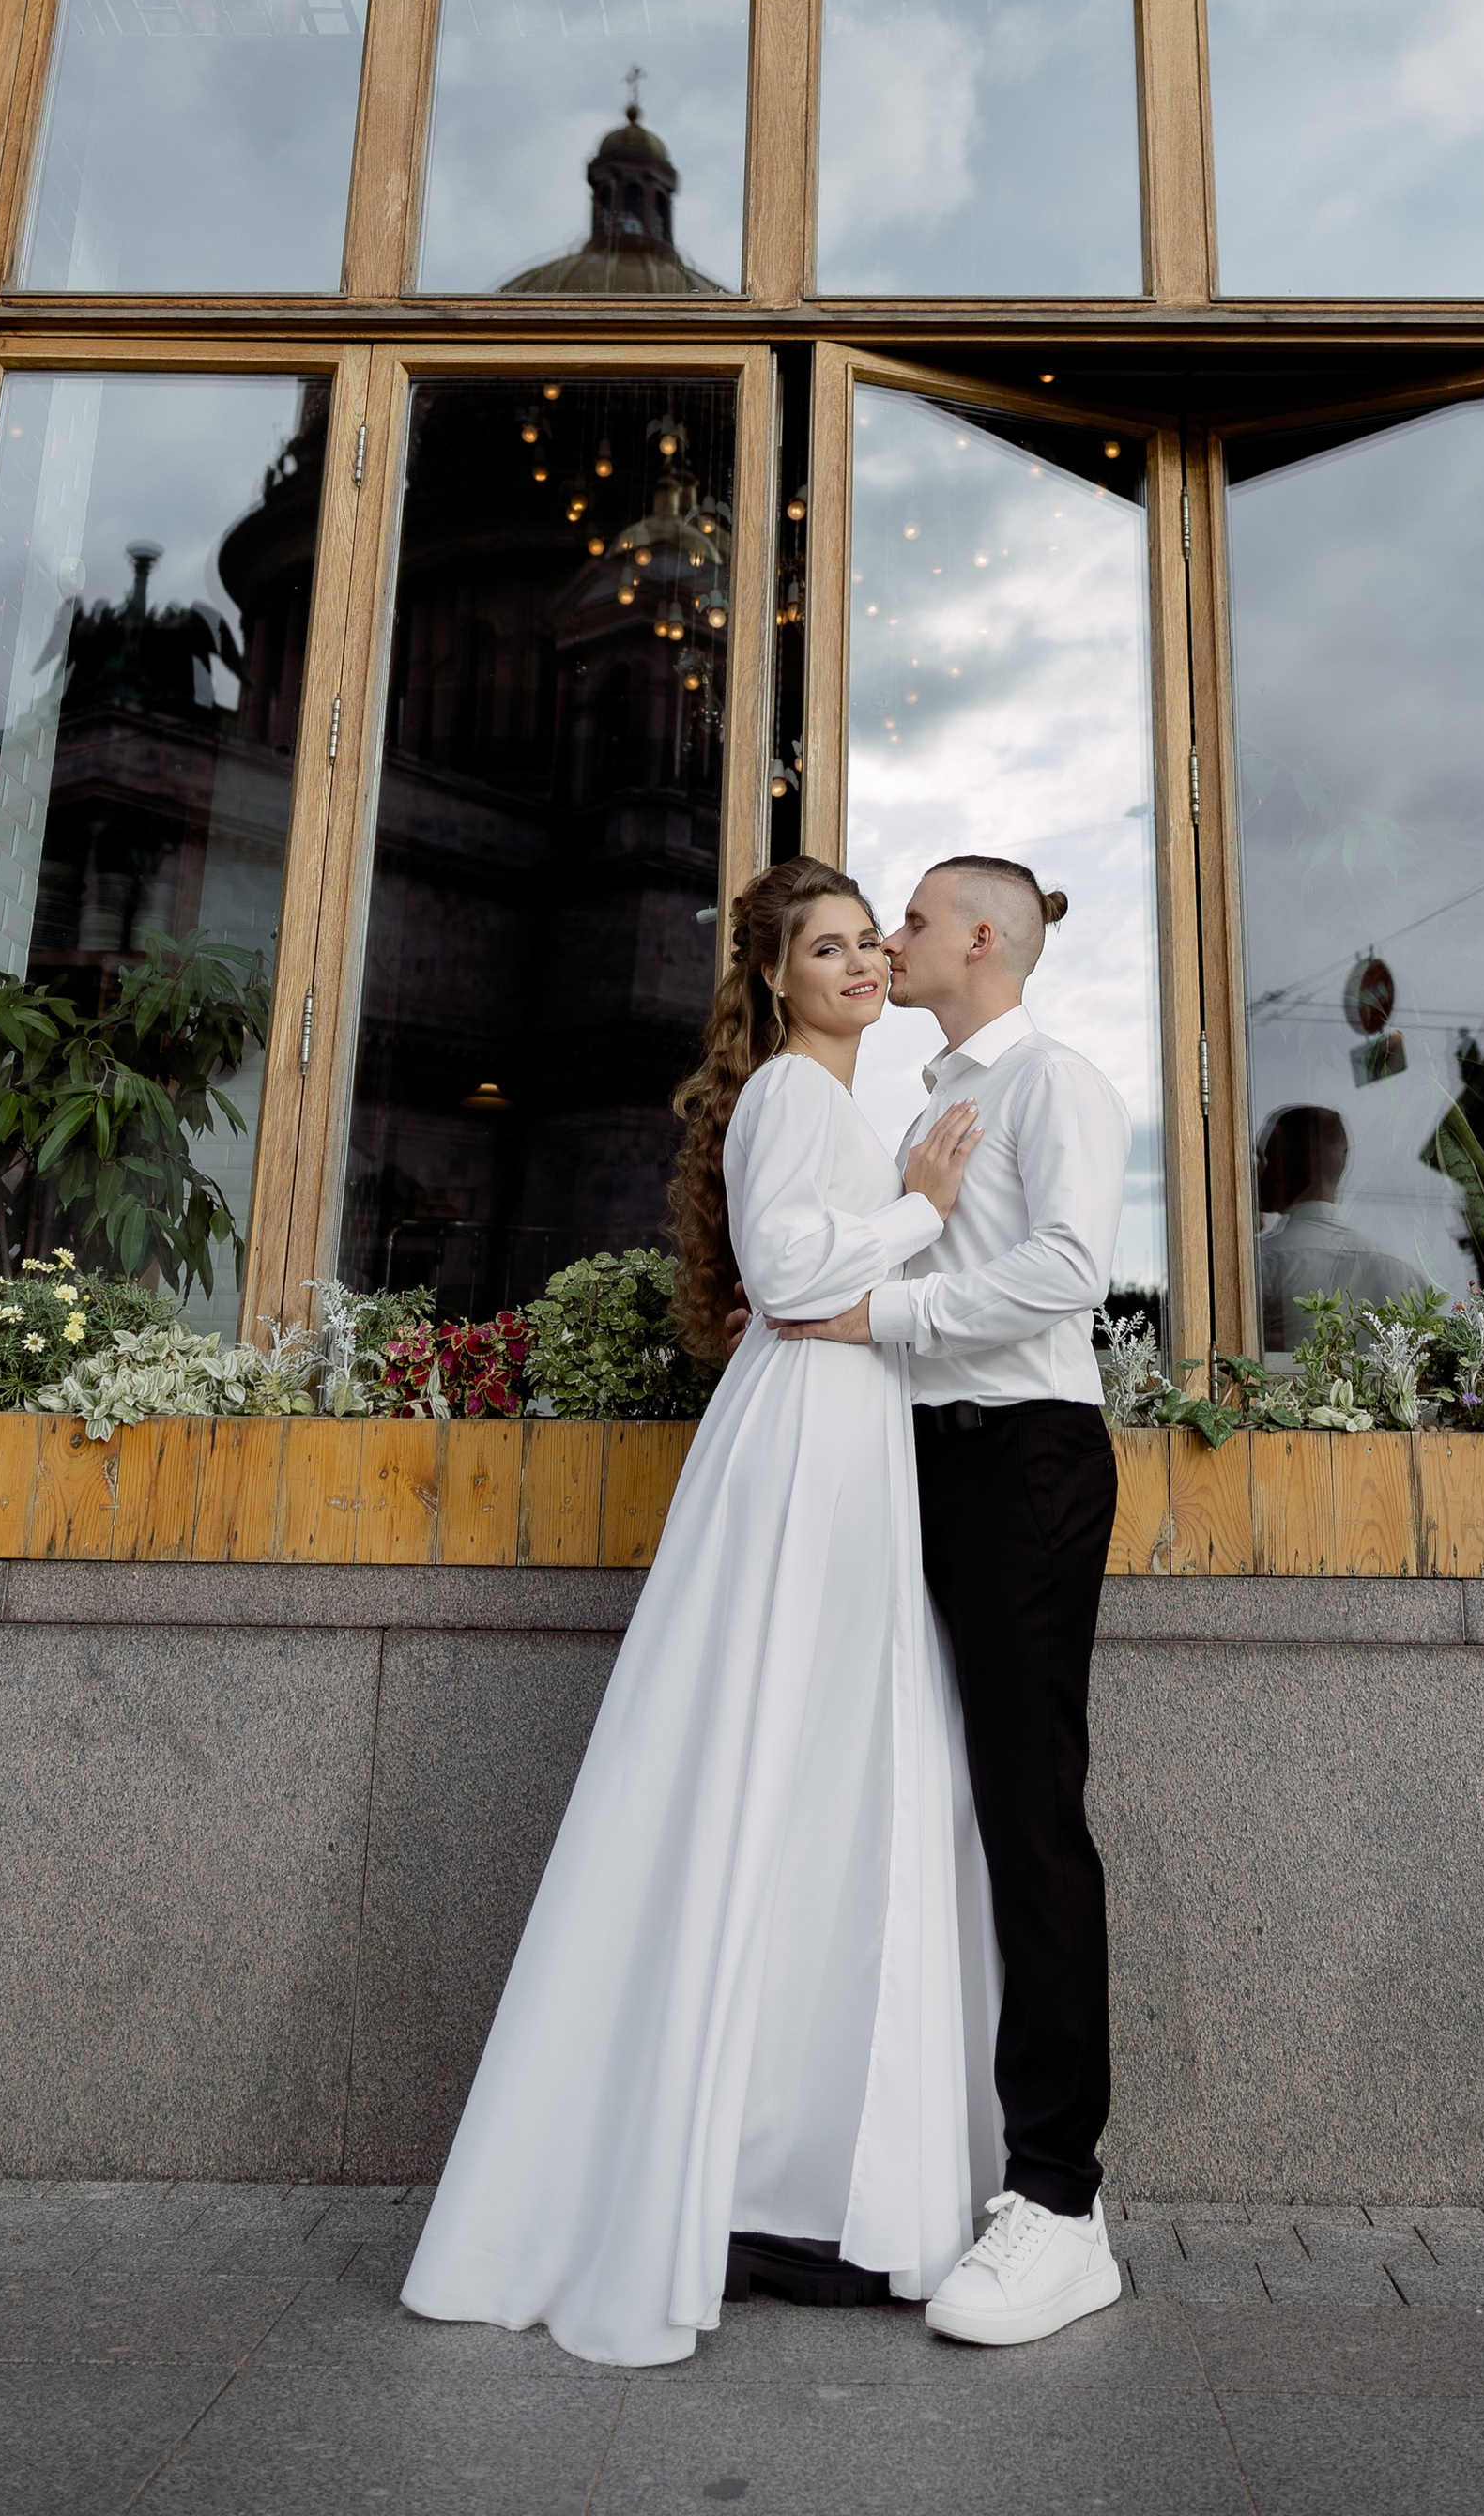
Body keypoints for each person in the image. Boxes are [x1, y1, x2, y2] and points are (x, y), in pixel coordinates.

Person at [400, 856, 996, 2368]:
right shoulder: (797, 1096)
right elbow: (792, 1279)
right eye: (828, 949)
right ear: (776, 980)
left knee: (790, 1790)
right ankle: (735, 2178)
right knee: (777, 1772)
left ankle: (763, 2172)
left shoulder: (825, 1105)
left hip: (830, 1432)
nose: (862, 965)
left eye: (872, 943)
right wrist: (920, 1213)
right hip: (806, 1440)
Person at [769, 855, 1129, 2351]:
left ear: (985, 939)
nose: (890, 944)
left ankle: (1059, 2204)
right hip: (918, 1466)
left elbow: (1067, 1270)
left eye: (909, 922)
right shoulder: (916, 1110)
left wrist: (883, 1311)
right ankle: (931, 2173)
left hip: (1023, 1464)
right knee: (934, 1806)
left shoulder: (1057, 1084)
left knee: (1029, 1812)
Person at [1254, 1101, 1419, 1350]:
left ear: (1279, 1165)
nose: (1257, 1171)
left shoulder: (1262, 1267)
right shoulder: (1407, 1278)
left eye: (1264, 1159)